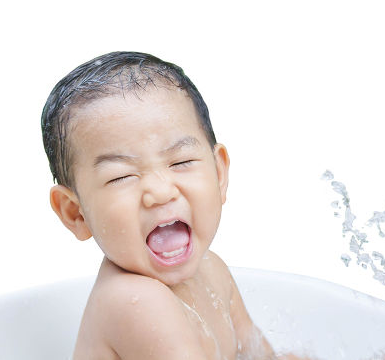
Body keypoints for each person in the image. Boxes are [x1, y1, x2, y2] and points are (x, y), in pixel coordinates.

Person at [41, 51, 307, 359]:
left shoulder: (213, 270)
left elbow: (260, 356)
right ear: (76, 213)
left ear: (219, 174)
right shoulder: (135, 302)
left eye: (181, 161)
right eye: (121, 177)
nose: (160, 191)